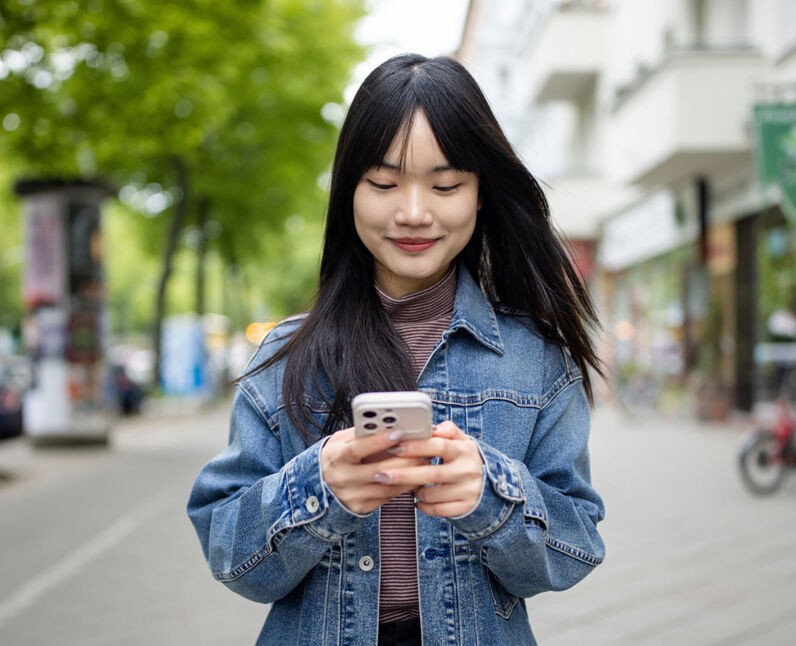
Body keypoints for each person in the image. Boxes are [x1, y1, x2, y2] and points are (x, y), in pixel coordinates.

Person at [187, 53, 606, 645]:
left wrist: (492, 496)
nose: (413, 213)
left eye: (445, 185)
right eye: (384, 184)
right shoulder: (284, 356)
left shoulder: (535, 358)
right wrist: (316, 486)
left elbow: (575, 548)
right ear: (349, 192)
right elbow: (230, 556)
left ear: (480, 193)